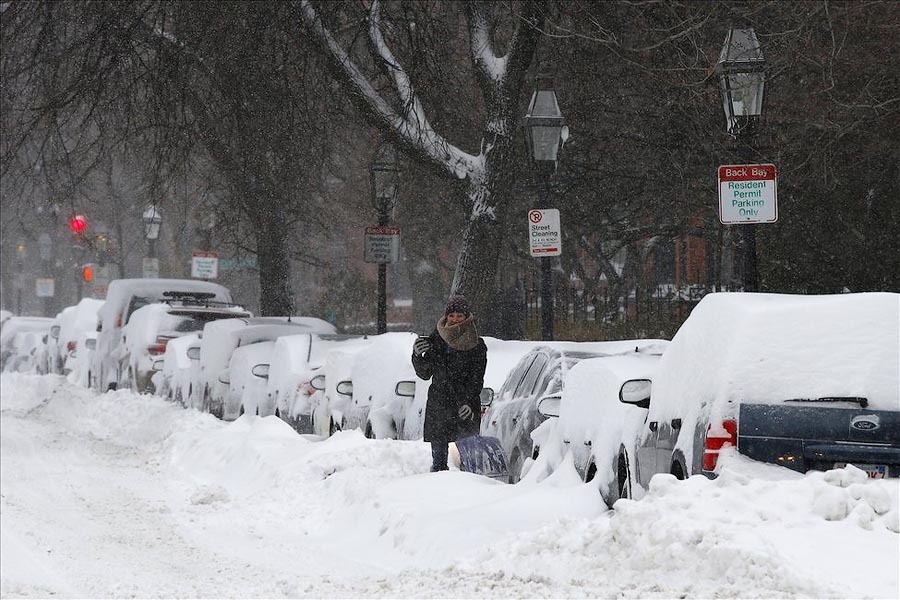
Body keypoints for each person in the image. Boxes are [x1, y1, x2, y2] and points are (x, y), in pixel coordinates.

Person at [412, 295, 487, 472]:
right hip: (440, 403)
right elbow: (425, 373)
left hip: (464, 404)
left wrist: (469, 402)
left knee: (468, 459)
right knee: (439, 460)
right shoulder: (436, 340)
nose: (455, 319)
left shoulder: (476, 344)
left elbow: (477, 378)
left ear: (467, 317)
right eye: (451, 315)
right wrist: (417, 356)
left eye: (459, 315)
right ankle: (439, 487)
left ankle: (470, 490)